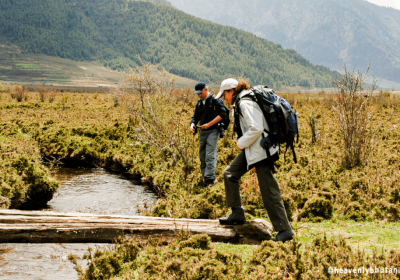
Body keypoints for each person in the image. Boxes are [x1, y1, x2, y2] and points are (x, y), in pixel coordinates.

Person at [215, 78, 295, 243]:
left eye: (225, 95)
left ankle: (285, 230)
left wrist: (241, 143)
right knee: (230, 173)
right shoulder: (241, 102)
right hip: (254, 150)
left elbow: (256, 128)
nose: (225, 98)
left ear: (231, 91)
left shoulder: (245, 103)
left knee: (269, 192)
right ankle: (237, 213)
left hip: (262, 151)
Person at [190, 82, 226, 187]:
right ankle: (205, 175)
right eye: (197, 94)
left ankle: (209, 179)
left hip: (213, 130)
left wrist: (209, 124)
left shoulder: (216, 100)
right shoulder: (199, 103)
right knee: (202, 155)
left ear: (206, 90)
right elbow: (195, 117)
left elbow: (222, 114)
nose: (199, 95)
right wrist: (192, 125)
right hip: (202, 131)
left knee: (210, 154)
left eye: (200, 93)